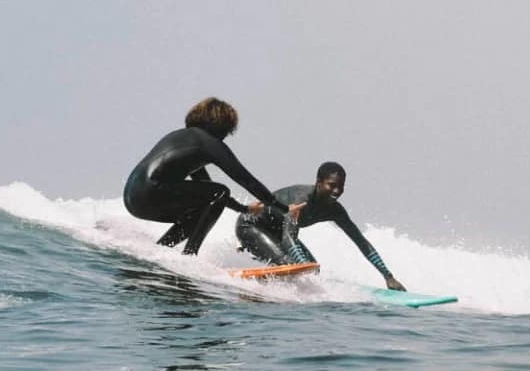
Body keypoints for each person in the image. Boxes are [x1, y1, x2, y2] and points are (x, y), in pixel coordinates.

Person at [123, 98, 291, 255]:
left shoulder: (183, 140)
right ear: (221, 125)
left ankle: (162, 250)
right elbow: (246, 180)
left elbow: (208, 193)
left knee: (203, 206)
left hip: (134, 198)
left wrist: (243, 209)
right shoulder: (209, 143)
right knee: (220, 192)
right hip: (151, 194)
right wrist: (284, 208)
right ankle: (189, 255)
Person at [236, 162, 406, 291]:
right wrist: (303, 267)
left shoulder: (335, 210)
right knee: (292, 266)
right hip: (250, 226)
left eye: (341, 186)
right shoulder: (301, 201)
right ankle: (256, 289)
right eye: (331, 185)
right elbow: (288, 237)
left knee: (312, 270)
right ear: (318, 182)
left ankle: (255, 273)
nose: (337, 191)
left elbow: (361, 242)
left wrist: (388, 276)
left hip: (275, 232)